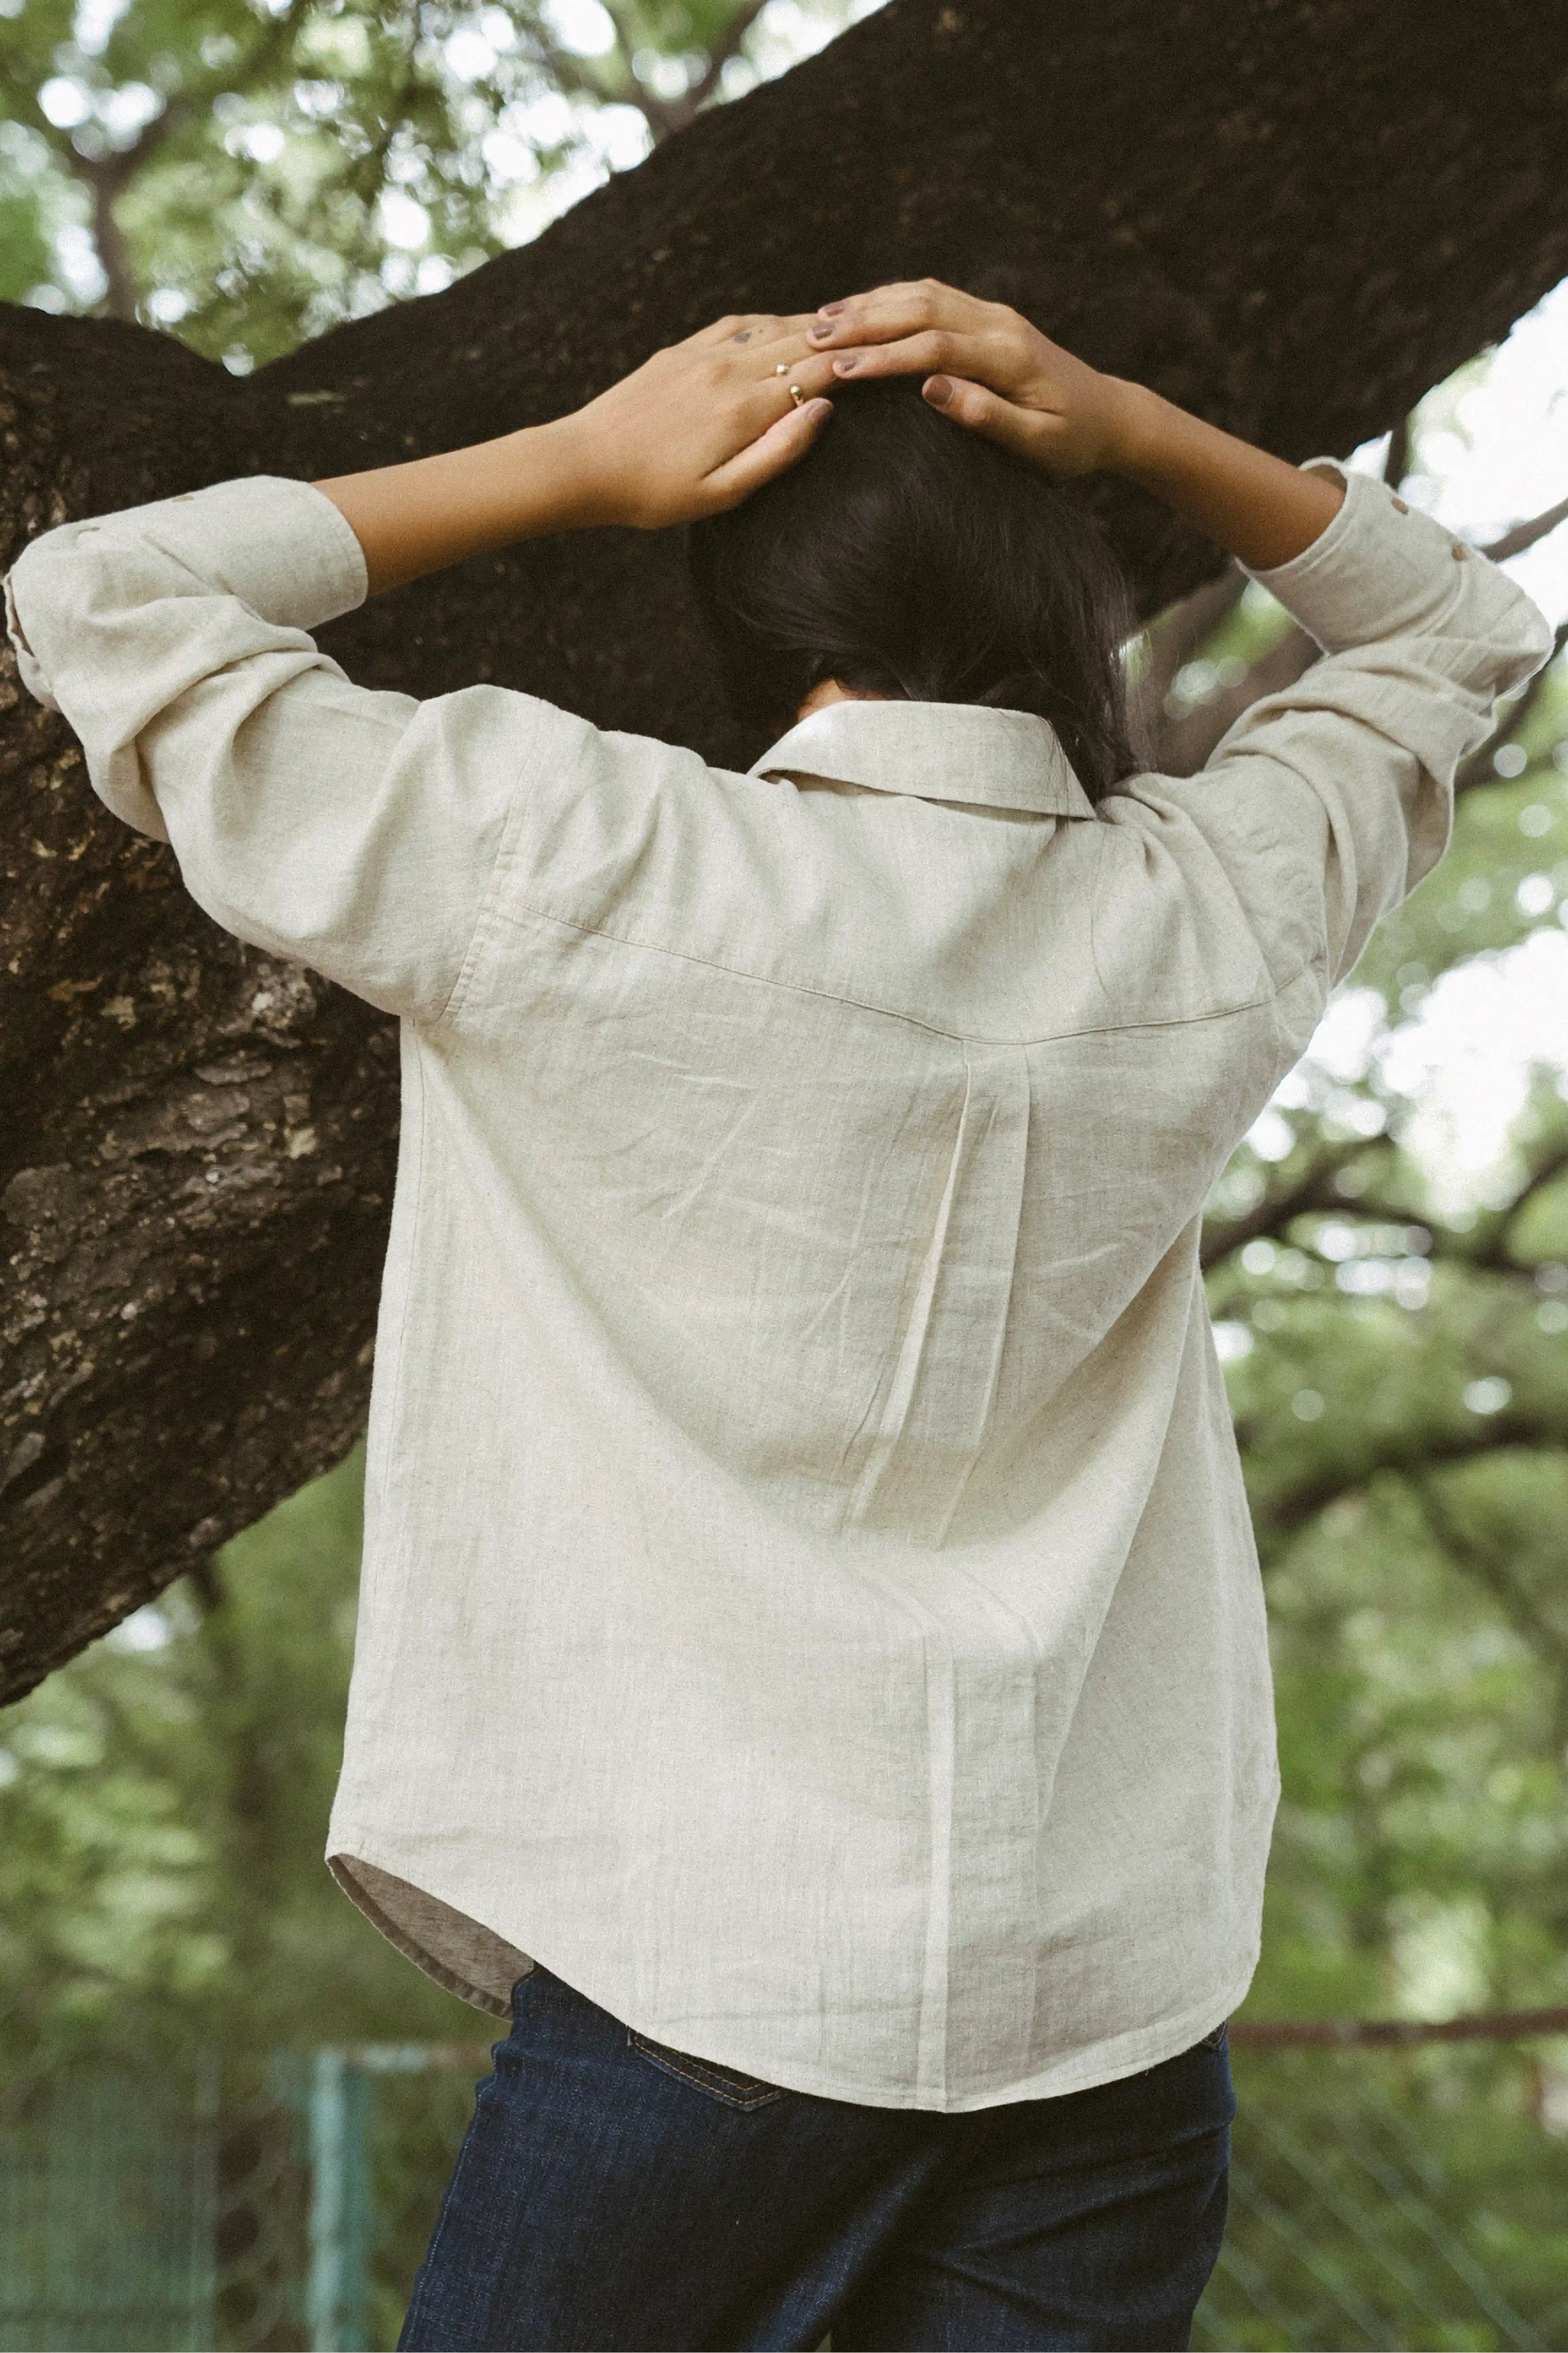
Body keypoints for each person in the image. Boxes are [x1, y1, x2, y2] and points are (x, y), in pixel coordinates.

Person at [5, 281, 1549, 2352]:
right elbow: (1458, 627)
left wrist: (572, 459)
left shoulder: (578, 855)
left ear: (746, 601)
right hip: (1106, 2004)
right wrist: (1131, 424)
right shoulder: (1197, 905)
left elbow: (99, 593)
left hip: (704, 1981)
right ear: (1048, 587)